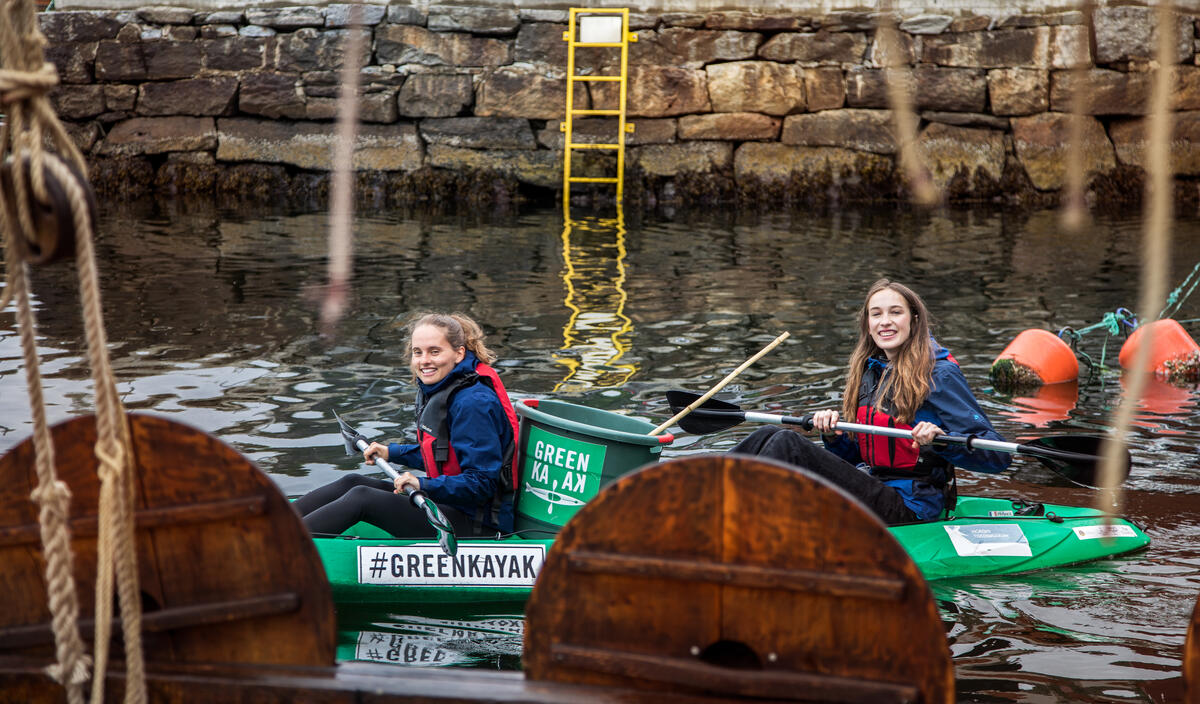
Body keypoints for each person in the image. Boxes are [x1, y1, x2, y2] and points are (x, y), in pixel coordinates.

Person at [730, 278, 1010, 525]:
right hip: (873, 484)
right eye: (876, 314)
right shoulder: (869, 371)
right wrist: (835, 436)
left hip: (911, 506)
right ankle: (705, 498)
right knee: (768, 434)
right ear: (867, 323)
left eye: (895, 312)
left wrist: (942, 440)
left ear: (914, 319)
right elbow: (858, 454)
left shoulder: (939, 374)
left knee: (787, 444)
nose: (884, 321)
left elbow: (998, 456)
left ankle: (737, 521)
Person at [295, 312, 520, 537]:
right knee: (351, 481)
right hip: (450, 504)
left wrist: (423, 485)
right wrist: (391, 452)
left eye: (435, 351)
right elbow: (444, 454)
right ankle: (272, 523)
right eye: (417, 352)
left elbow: (482, 483)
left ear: (459, 353)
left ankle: (279, 547)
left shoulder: (473, 402)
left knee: (362, 498)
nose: (424, 361)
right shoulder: (444, 387)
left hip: (478, 525)